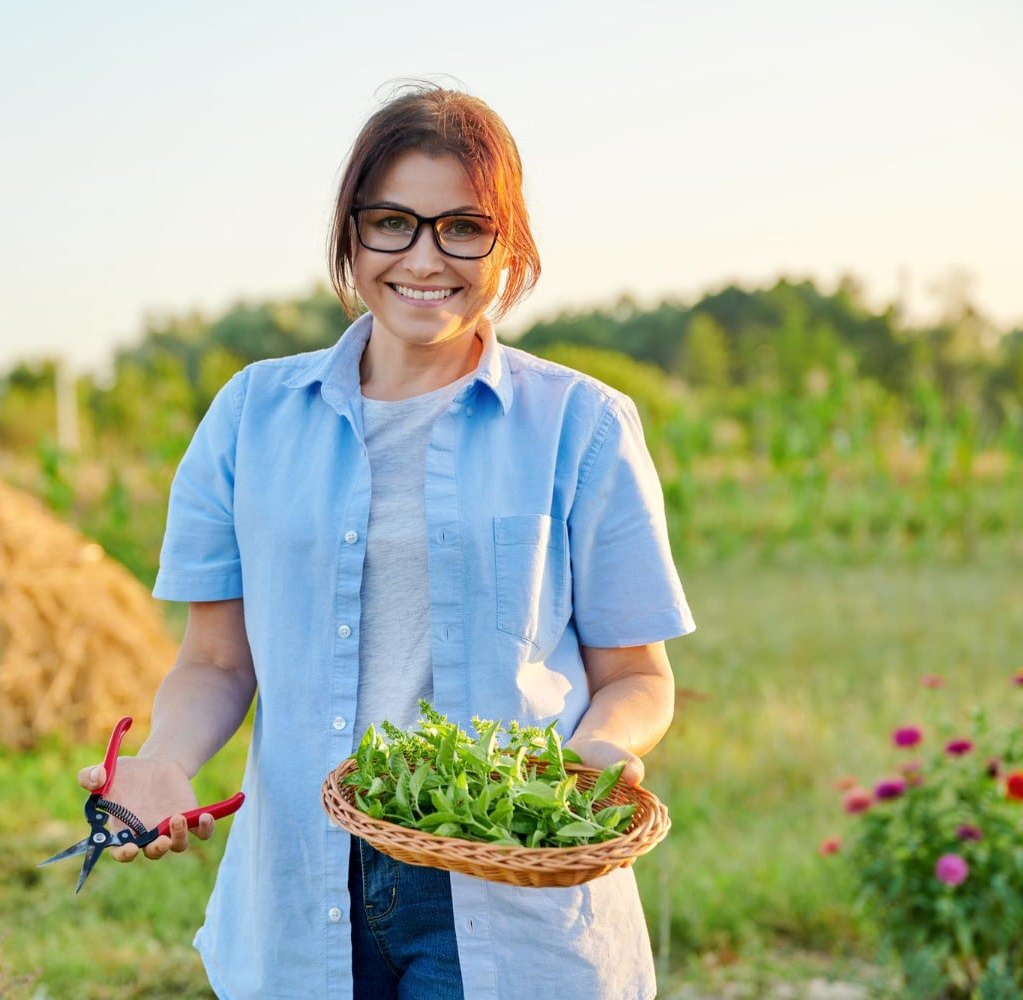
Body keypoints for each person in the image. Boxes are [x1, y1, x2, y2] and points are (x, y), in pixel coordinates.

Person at [75, 82, 695, 999]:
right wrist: (166, 759)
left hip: (506, 881)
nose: (425, 257)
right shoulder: (252, 415)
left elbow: (638, 677)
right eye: (393, 222)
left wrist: (592, 758)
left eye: (463, 227)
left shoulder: (581, 426)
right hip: (302, 882)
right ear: (352, 235)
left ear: (509, 244)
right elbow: (215, 661)